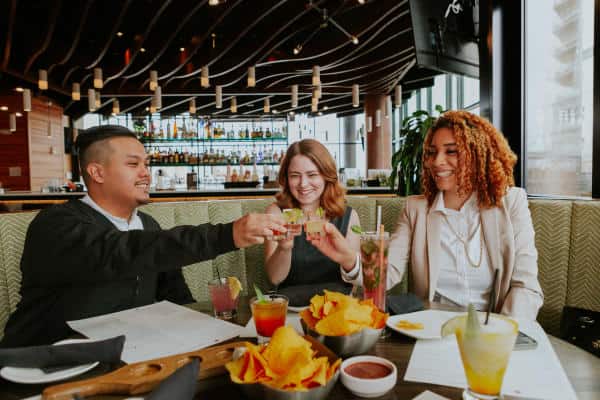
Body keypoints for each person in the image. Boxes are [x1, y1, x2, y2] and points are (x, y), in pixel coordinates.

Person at [0, 125, 286, 347]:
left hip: (125, 357)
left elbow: (175, 296)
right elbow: (119, 251)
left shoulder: (148, 225)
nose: (146, 174)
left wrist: (205, 336)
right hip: (42, 361)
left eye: (146, 165)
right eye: (133, 164)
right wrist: (227, 235)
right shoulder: (55, 225)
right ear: (97, 172)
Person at [312, 111, 543, 320]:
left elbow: (526, 286)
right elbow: (388, 274)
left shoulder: (511, 202)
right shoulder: (416, 209)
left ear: (477, 155)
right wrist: (348, 259)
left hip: (495, 331)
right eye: (432, 153)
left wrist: (502, 335)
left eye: (451, 151)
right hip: (433, 330)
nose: (436, 161)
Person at [264, 139, 360, 305]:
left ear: (326, 176)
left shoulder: (348, 216)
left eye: (312, 175)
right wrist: (284, 248)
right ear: (286, 179)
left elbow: (354, 283)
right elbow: (275, 278)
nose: (303, 184)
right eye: (295, 176)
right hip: (289, 309)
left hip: (335, 308)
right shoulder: (276, 213)